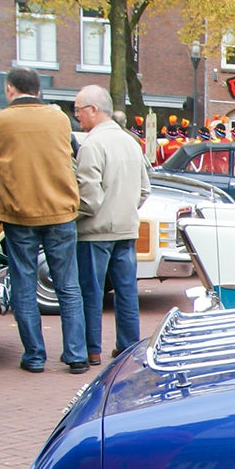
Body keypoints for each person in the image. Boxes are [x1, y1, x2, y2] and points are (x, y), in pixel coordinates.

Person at [0, 67, 87, 373]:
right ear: (38, 90)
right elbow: (73, 154)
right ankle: (76, 354)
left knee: (23, 284)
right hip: (60, 210)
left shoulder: (0, 121)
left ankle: (35, 356)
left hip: (19, 212)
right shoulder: (60, 118)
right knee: (68, 285)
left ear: (10, 90)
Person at [71, 85, 150, 365]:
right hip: (126, 228)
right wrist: (126, 208)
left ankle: (92, 349)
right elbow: (144, 189)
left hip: (94, 231)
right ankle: (129, 347)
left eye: (78, 109)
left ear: (93, 110)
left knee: (91, 292)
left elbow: (89, 197)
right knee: (127, 291)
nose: (77, 115)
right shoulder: (130, 141)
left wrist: (75, 215)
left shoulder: (92, 144)